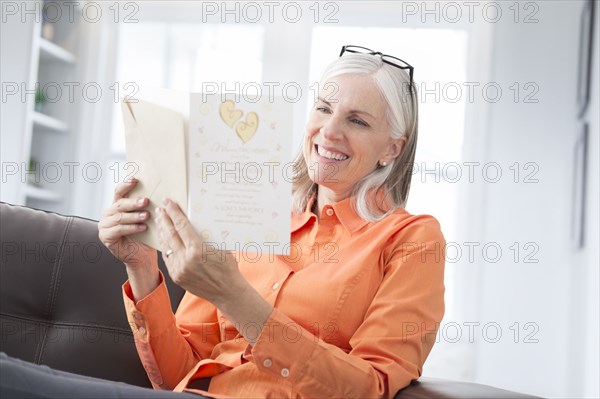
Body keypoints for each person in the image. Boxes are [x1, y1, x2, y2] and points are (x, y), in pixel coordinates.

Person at [0, 45, 445, 399]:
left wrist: (236, 298)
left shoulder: (411, 238)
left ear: (392, 149)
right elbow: (176, 373)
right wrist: (141, 267)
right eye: (323, 108)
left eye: (357, 120)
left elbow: (369, 390)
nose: (329, 132)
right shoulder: (252, 208)